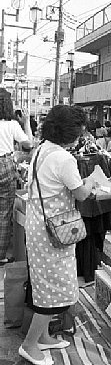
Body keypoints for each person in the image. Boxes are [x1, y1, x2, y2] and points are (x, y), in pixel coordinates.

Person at [20, 105, 96, 365]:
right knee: (53, 288)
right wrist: (94, 180)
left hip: (39, 227)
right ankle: (29, 345)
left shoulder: (42, 149)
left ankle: (43, 337)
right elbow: (82, 194)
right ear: (70, 132)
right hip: (55, 231)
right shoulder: (64, 158)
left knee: (43, 283)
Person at [0, 91, 33, 265]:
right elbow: (29, 143)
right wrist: (26, 122)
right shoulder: (11, 124)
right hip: (5, 166)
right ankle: (1, 256)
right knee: (4, 213)